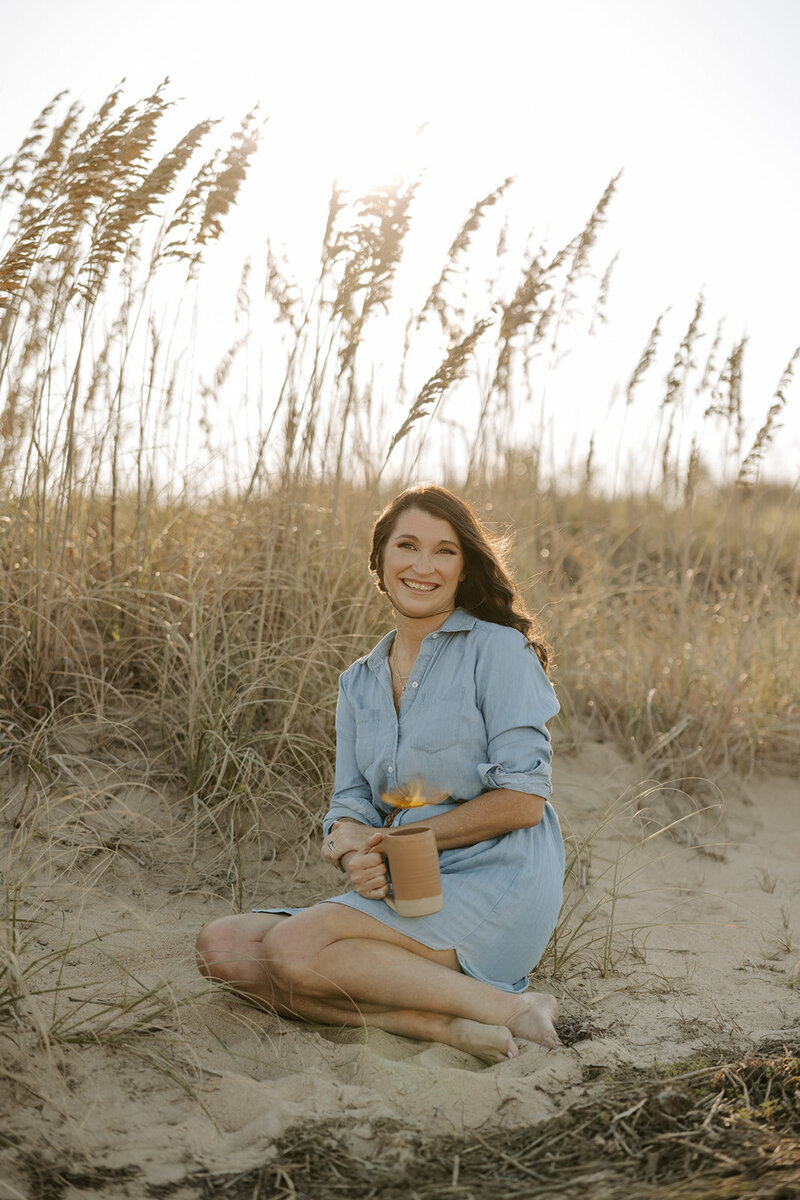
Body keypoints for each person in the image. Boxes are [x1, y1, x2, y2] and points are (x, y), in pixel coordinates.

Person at [196, 484, 564, 1064]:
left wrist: (394, 841)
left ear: (464, 569)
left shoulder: (498, 651)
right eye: (408, 546)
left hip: (499, 880)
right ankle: (441, 1024)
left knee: (294, 948)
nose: (423, 566)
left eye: (444, 551)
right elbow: (348, 803)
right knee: (221, 948)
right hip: (409, 882)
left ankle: (510, 1008)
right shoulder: (358, 681)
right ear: (381, 560)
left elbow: (523, 801)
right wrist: (350, 855)